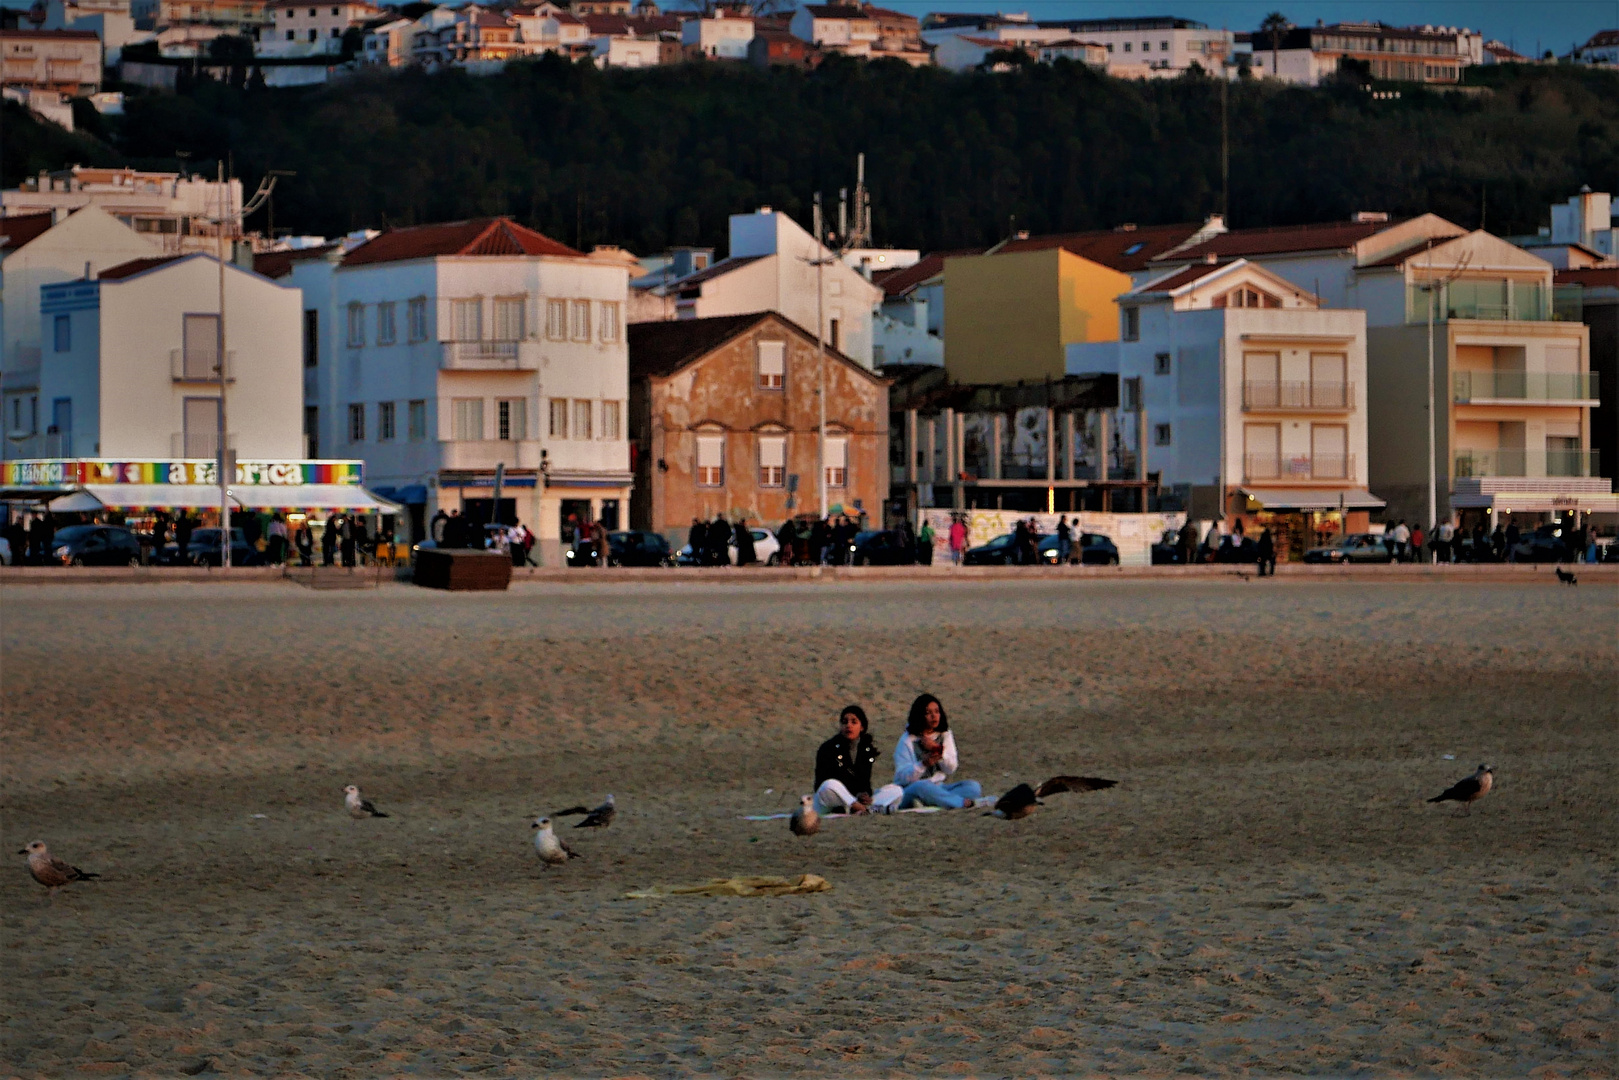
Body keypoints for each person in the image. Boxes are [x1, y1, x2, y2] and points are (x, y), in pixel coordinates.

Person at [891, 693, 982, 810]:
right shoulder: (907, 740)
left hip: (939, 787)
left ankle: (932, 801)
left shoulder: (944, 734)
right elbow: (901, 778)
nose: (934, 716)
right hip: (913, 788)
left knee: (973, 787)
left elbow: (951, 769)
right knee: (922, 786)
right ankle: (962, 803)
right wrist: (923, 764)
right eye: (928, 713)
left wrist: (938, 750)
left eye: (936, 712)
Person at [813, 705, 882, 815]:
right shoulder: (828, 748)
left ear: (862, 727)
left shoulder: (866, 750)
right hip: (830, 800)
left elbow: (865, 782)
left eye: (854, 722)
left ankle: (859, 807)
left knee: (895, 790)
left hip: (855, 800)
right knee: (830, 784)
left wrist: (865, 795)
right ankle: (860, 808)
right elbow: (821, 784)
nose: (848, 725)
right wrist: (854, 795)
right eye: (845, 722)